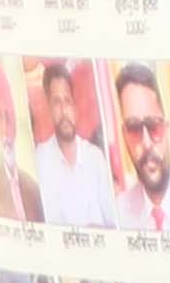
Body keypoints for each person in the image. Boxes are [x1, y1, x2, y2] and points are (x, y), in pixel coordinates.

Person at [29, 62, 122, 225]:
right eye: (56, 102)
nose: (64, 111)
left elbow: (113, 221)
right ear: (49, 108)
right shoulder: (40, 159)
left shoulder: (95, 158)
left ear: (74, 106)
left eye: (67, 101)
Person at [107, 62, 170, 226]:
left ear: (167, 128)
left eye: (153, 126)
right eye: (134, 128)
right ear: (124, 135)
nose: (146, 143)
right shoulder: (117, 216)